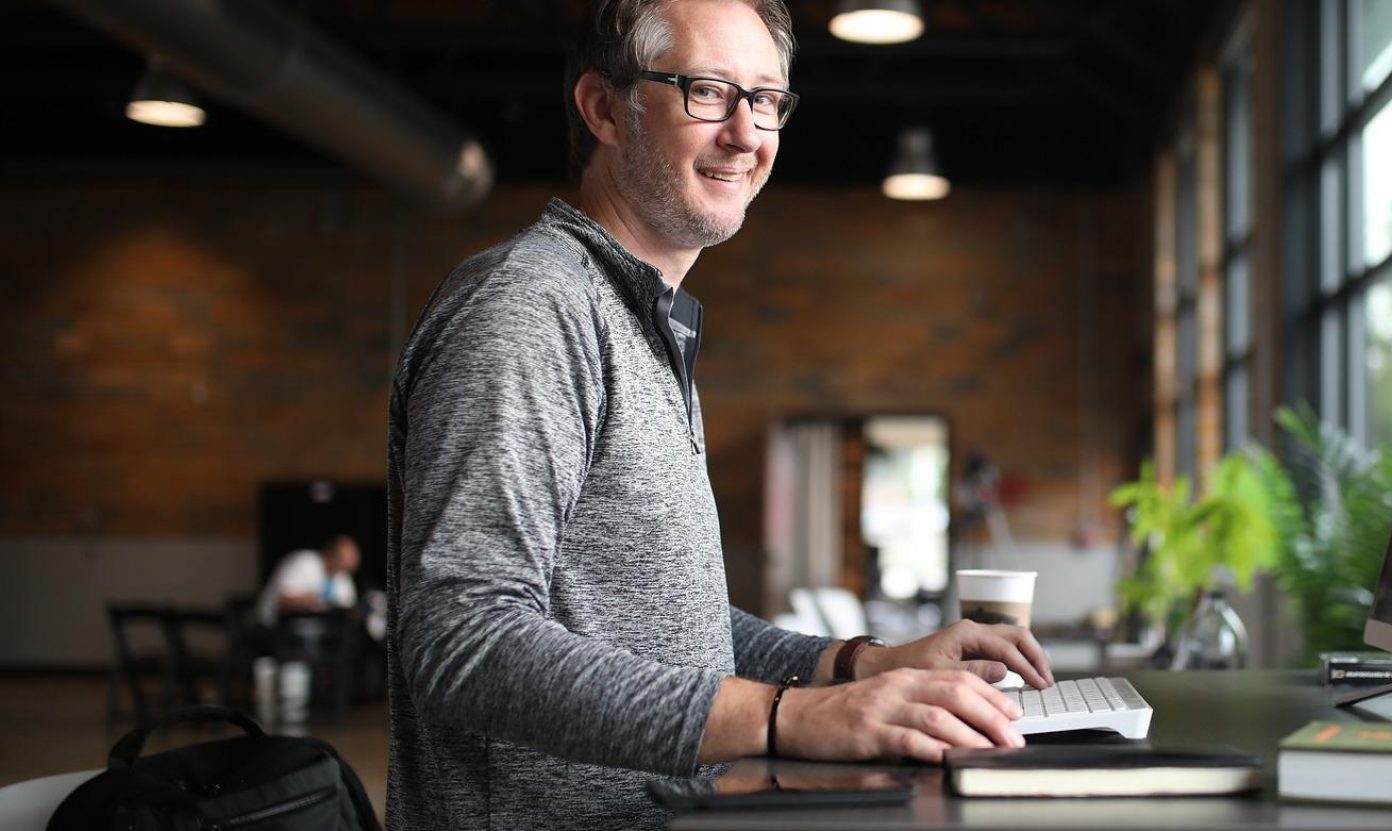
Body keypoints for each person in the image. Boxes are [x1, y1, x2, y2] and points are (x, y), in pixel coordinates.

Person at [383, 1, 1053, 826]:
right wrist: (784, 716)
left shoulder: (643, 322)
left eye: (766, 98)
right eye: (707, 92)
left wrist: (860, 666)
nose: (746, 133)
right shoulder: (529, 307)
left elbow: (677, 634)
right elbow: (460, 640)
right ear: (604, 109)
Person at [255, 534, 359, 626]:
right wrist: (314, 601)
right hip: (275, 626)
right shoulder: (303, 562)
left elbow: (347, 608)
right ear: (331, 554)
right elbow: (284, 601)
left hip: (319, 631)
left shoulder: (343, 576)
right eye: (347, 557)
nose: (352, 561)